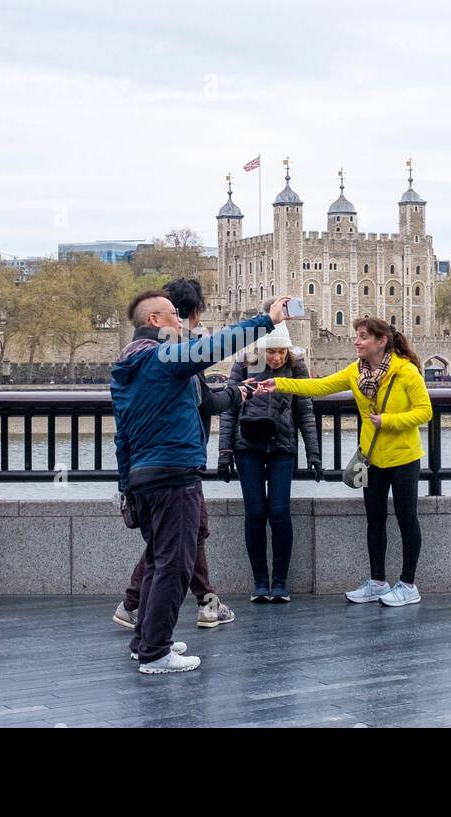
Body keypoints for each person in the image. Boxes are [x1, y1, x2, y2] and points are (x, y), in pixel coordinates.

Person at [113, 290, 288, 673]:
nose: (182, 322)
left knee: (160, 561)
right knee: (175, 564)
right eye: (175, 315)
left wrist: (126, 483)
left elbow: (123, 434)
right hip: (175, 473)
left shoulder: (130, 364)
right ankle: (156, 653)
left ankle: (144, 640)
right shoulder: (160, 356)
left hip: (147, 476)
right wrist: (267, 321)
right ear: (155, 321)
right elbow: (214, 347)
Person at [259, 316, 432, 607]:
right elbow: (320, 387)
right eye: (357, 336)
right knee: (374, 520)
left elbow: (425, 411)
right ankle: (378, 582)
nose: (357, 341)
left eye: (363, 336)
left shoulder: (406, 372)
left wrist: (388, 421)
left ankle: (408, 584)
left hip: (404, 457)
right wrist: (279, 383)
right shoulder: (356, 372)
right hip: (371, 458)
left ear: (381, 341)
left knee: (406, 519)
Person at [113, 278, 241, 632]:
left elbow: (122, 434)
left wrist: (126, 482)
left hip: (150, 468)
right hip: (177, 465)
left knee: (178, 542)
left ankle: (145, 626)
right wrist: (238, 393)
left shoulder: (132, 357)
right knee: (176, 551)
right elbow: (209, 400)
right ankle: (160, 628)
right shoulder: (173, 355)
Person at [217, 319, 322, 604]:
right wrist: (224, 452)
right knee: (254, 513)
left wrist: (313, 453)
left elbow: (305, 411)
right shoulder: (243, 364)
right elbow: (228, 410)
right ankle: (260, 582)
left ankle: (280, 582)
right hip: (247, 446)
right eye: (271, 352)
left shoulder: (297, 367)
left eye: (281, 352)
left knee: (279, 512)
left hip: (281, 446)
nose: (276, 358)